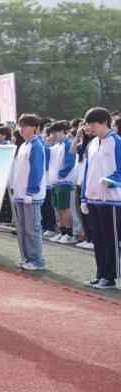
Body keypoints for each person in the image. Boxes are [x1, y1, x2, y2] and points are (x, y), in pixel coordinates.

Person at [79, 107, 121, 289]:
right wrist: (83, 197)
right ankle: (100, 274)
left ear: (105, 122)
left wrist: (111, 181)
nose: (89, 127)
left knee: (110, 240)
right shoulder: (93, 143)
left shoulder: (116, 141)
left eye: (92, 123)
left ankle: (110, 277)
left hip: (110, 200)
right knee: (98, 239)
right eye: (87, 123)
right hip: (92, 199)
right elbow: (87, 172)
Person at [12, 113, 47, 271]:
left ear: (34, 127)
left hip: (30, 195)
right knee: (22, 228)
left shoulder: (36, 145)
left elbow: (36, 171)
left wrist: (30, 192)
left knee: (32, 228)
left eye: (25, 125)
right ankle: (27, 257)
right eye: (20, 125)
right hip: (20, 194)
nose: (21, 129)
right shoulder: (23, 145)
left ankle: (37, 260)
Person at [46, 121, 78, 244]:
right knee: (58, 208)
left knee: (64, 208)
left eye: (54, 132)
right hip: (55, 182)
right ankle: (62, 232)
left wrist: (60, 175)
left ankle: (69, 234)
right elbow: (46, 157)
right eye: (51, 132)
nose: (53, 135)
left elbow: (70, 162)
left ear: (61, 131)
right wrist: (46, 144)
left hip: (64, 182)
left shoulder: (68, 143)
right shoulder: (55, 145)